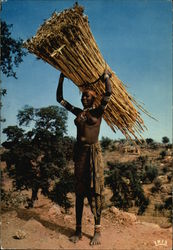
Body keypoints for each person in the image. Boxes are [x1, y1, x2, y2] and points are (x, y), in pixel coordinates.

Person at [56, 70, 112, 245]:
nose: (84, 98)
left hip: (93, 154)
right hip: (80, 154)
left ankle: (97, 232)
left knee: (95, 192)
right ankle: (78, 230)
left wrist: (106, 79)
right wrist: (61, 78)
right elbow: (60, 99)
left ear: (93, 99)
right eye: (83, 96)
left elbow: (108, 93)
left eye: (87, 96)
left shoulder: (97, 113)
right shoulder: (78, 112)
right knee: (79, 192)